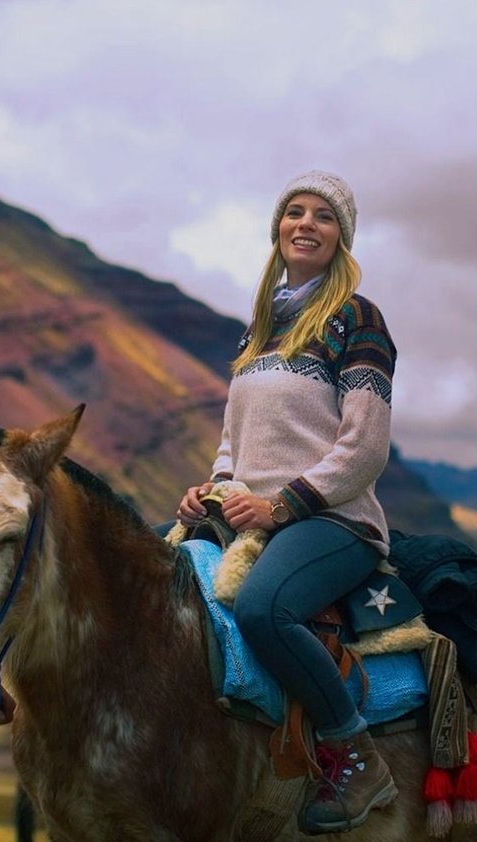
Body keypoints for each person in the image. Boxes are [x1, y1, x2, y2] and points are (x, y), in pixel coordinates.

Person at [174, 171, 398, 834]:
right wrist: (212, 489)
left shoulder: (358, 320)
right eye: (293, 212)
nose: (305, 224)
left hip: (334, 521)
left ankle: (356, 754)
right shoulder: (259, 330)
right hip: (252, 516)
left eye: (323, 216)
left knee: (263, 608)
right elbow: (232, 441)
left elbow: (364, 448)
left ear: (341, 238)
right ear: (278, 228)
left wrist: (280, 507)